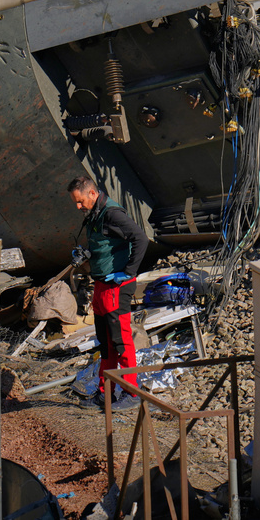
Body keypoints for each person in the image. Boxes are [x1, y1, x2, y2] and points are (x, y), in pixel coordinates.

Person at [67, 176, 149, 411]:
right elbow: (107, 243)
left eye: (81, 201)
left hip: (117, 287)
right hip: (102, 285)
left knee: (121, 341)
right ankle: (106, 393)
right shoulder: (95, 214)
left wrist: (129, 272)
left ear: (92, 193)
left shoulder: (113, 213)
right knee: (106, 343)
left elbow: (140, 238)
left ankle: (132, 393)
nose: (78, 206)